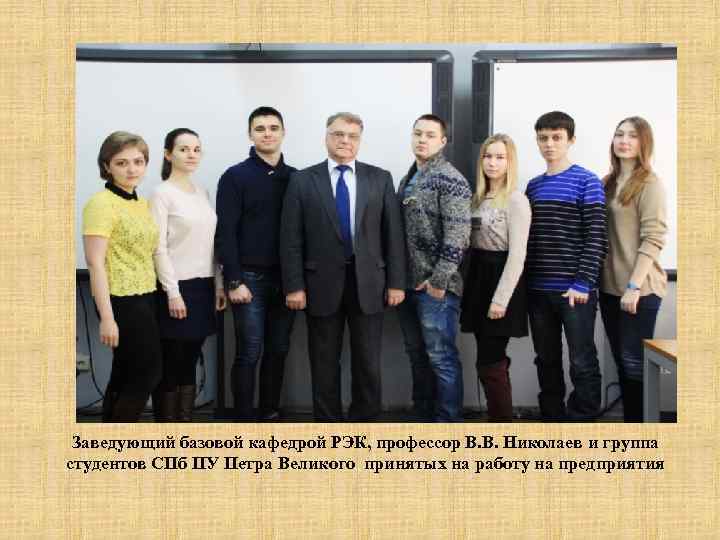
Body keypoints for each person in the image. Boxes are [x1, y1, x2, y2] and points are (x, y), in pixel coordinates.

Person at [280, 112, 406, 421]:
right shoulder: (302, 180)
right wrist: (294, 286)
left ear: (359, 141)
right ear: (326, 137)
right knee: (323, 363)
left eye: (352, 136)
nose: (345, 141)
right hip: (319, 284)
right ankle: (328, 427)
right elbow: (290, 239)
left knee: (368, 363)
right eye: (338, 134)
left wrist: (396, 282)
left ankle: (364, 424)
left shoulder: (380, 178)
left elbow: (393, 235)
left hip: (369, 284)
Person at [215, 107, 297, 421]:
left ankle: (270, 411)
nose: (267, 133)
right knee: (249, 351)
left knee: (279, 349)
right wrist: (234, 281)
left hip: (287, 281)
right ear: (250, 134)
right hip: (249, 280)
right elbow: (226, 232)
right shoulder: (235, 176)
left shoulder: (297, 178)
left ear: (283, 133)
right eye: (260, 128)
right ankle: (244, 418)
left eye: (273, 128)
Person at [525, 111, 607, 421]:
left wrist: (583, 282)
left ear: (571, 140)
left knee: (581, 361)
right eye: (543, 138)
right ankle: (552, 418)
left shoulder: (587, 181)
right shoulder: (533, 186)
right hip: (538, 291)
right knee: (545, 359)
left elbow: (597, 237)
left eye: (557, 137)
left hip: (575, 292)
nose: (549, 144)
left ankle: (582, 420)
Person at [397, 114, 471, 422]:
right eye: (418, 133)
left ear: (442, 141)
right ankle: (423, 418)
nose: (422, 140)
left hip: (436, 289)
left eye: (430, 135)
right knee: (418, 357)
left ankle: (448, 424)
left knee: (441, 359)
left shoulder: (450, 178)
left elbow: (458, 236)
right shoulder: (410, 177)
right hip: (408, 285)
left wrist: (439, 281)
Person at [82, 131, 161, 422]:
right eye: (121, 163)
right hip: (120, 300)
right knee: (147, 373)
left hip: (146, 295)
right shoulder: (101, 203)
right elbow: (95, 262)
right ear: (107, 166)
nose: (131, 169)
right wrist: (107, 317)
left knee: (125, 372)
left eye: (138, 162)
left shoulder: (140, 203)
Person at [150, 128, 226, 422]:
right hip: (176, 288)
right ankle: (166, 429)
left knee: (190, 360)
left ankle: (184, 424)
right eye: (183, 149)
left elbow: (211, 244)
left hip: (203, 287)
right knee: (172, 361)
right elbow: (158, 247)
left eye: (196, 149)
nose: (191, 154)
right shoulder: (162, 194)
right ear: (168, 154)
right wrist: (172, 293)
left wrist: (218, 285)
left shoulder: (202, 192)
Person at [599, 117, 667, 422]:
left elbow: (654, 238)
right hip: (609, 288)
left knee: (634, 365)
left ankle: (643, 431)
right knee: (621, 363)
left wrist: (634, 286)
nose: (624, 141)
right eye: (619, 134)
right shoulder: (608, 183)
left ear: (644, 143)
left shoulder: (650, 183)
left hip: (639, 289)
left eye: (632, 136)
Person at [459, 134, 530, 422]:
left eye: (500, 157)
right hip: (478, 278)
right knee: (485, 358)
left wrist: (501, 300)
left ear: (510, 162)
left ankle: (502, 425)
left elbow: (518, 255)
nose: (492, 162)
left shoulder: (516, 200)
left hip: (501, 281)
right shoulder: (476, 198)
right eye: (488, 156)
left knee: (491, 359)